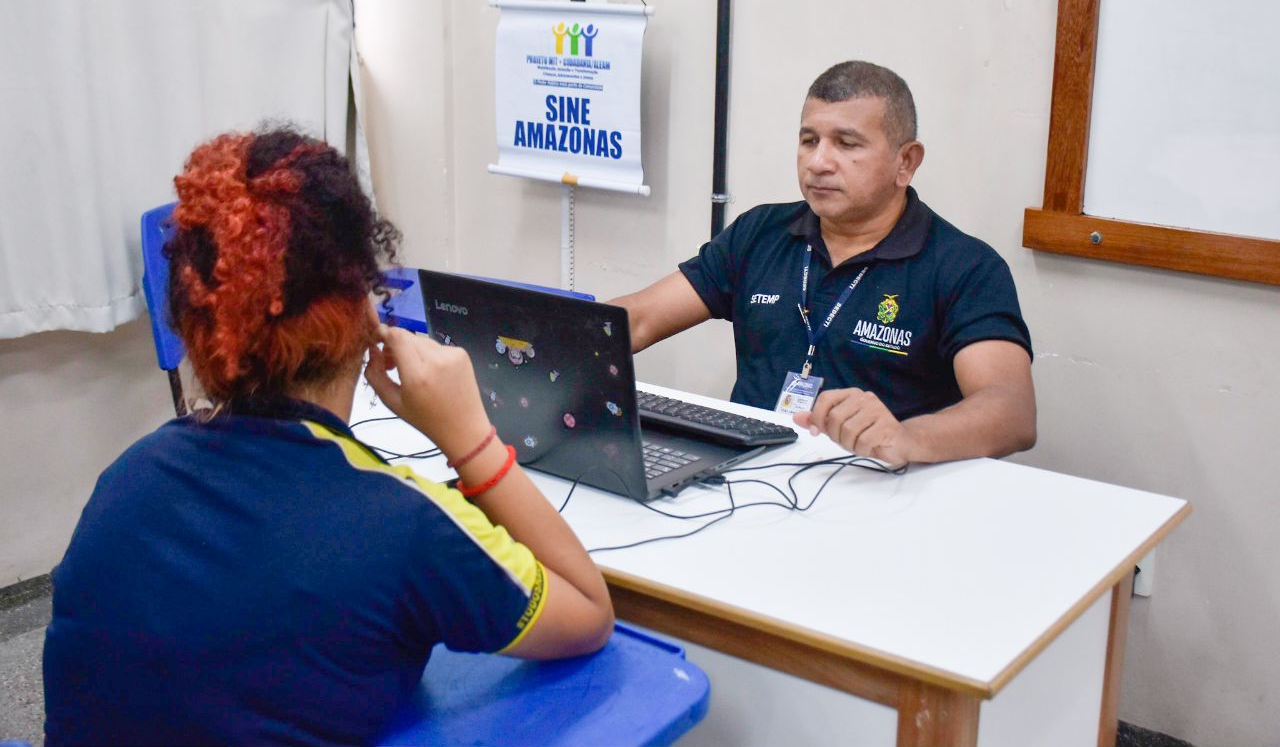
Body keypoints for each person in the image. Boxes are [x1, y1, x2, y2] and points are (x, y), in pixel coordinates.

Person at [43, 128, 613, 745]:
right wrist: (472, 439)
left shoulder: (126, 479)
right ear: (363, 313)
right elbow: (588, 610)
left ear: (197, 323)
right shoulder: (406, 523)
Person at [613, 61, 1035, 466]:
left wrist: (906, 438)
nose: (818, 162)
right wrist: (556, 332)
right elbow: (639, 319)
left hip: (879, 488)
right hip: (743, 477)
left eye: (847, 144)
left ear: (905, 162)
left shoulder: (964, 266)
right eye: (809, 140)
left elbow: (1011, 412)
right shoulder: (761, 231)